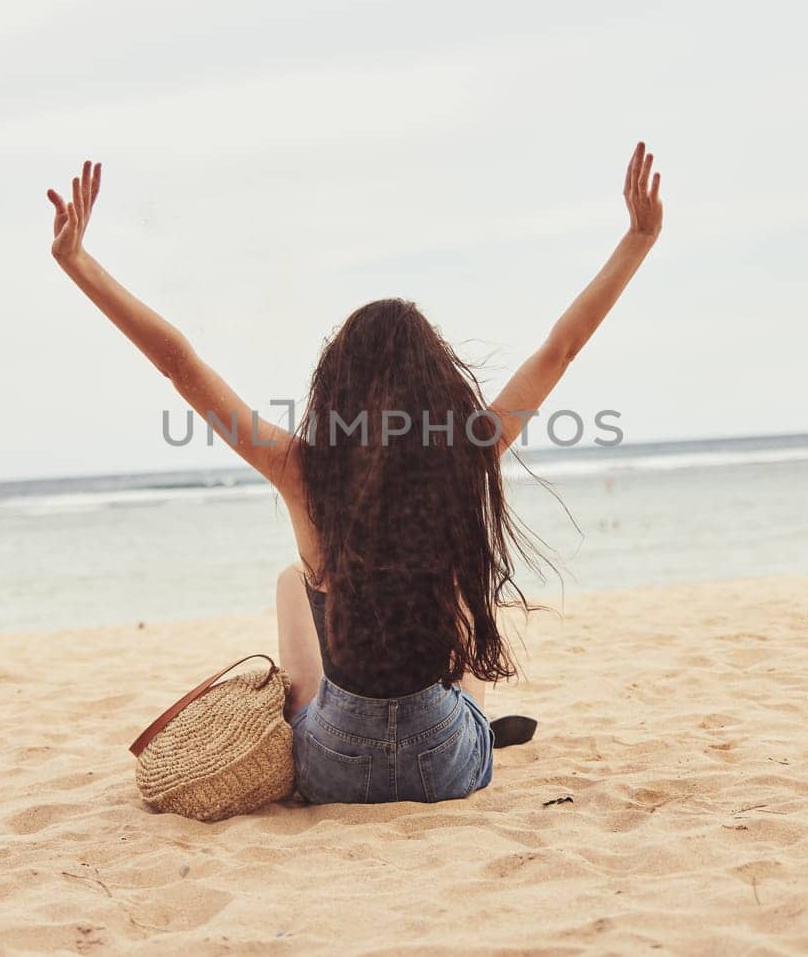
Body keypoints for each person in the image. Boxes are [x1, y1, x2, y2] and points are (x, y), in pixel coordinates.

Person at [47, 142, 664, 804]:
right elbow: (559, 349)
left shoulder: (301, 469)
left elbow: (180, 364)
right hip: (444, 766)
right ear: (437, 386)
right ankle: (473, 722)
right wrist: (638, 239)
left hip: (333, 766)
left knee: (294, 583)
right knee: (453, 600)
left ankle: (446, 721)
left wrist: (78, 262)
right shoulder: (468, 451)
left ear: (334, 388)